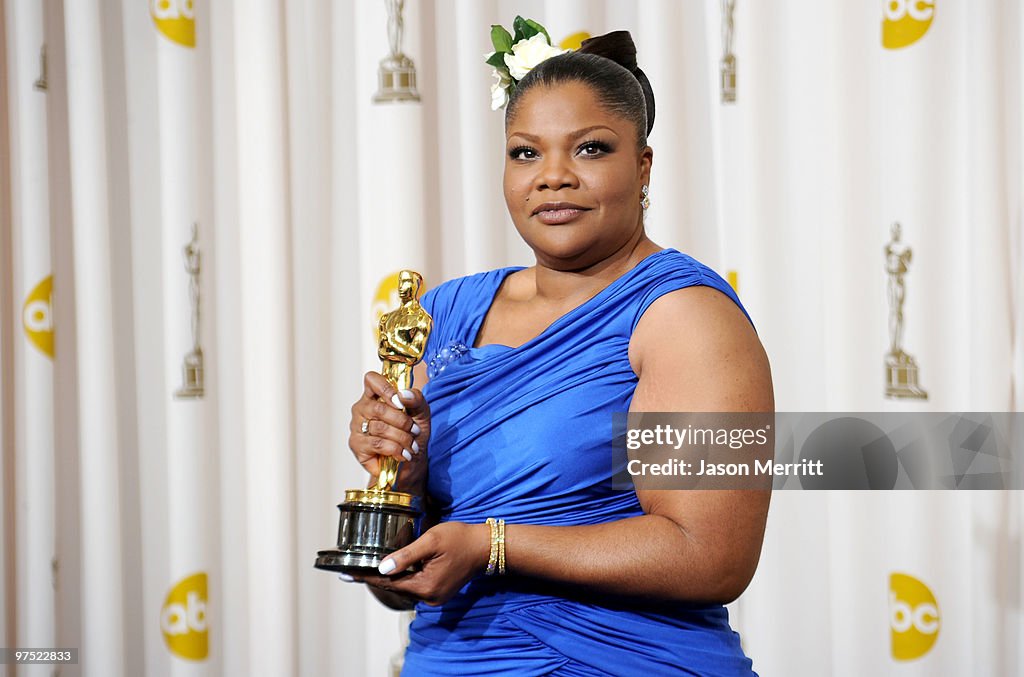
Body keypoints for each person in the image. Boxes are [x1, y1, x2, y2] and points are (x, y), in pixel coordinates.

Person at [345, 29, 774, 676]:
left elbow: (712, 553)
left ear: (644, 166)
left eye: (591, 148)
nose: (552, 177)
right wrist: (399, 487)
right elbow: (401, 575)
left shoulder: (685, 316)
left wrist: (491, 544)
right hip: (449, 659)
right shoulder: (444, 312)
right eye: (525, 153)